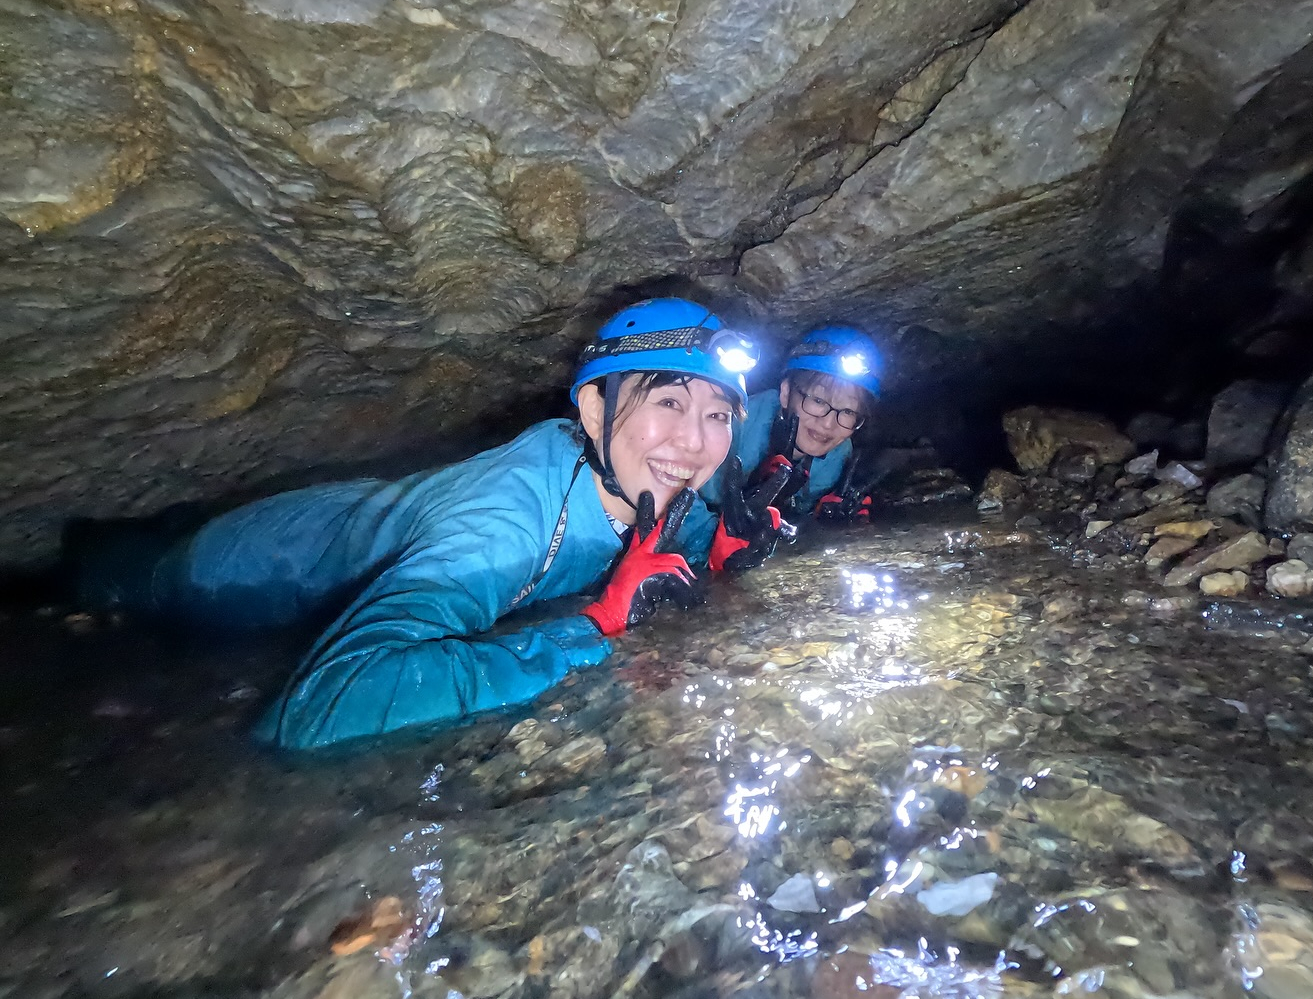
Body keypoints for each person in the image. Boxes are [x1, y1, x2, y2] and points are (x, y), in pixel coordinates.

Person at [71, 298, 787, 751]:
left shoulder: (657, 489)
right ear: (594, 413)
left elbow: (662, 548)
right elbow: (321, 705)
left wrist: (723, 552)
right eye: (668, 402)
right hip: (248, 564)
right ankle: (85, 547)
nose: (694, 441)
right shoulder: (505, 521)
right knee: (116, 580)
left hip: (362, 516)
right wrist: (590, 629)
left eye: (718, 414)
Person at [699, 325, 883, 531]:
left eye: (848, 411)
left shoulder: (836, 457)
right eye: (818, 400)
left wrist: (819, 519)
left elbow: (796, 518)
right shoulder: (737, 426)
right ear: (786, 393)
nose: (828, 423)